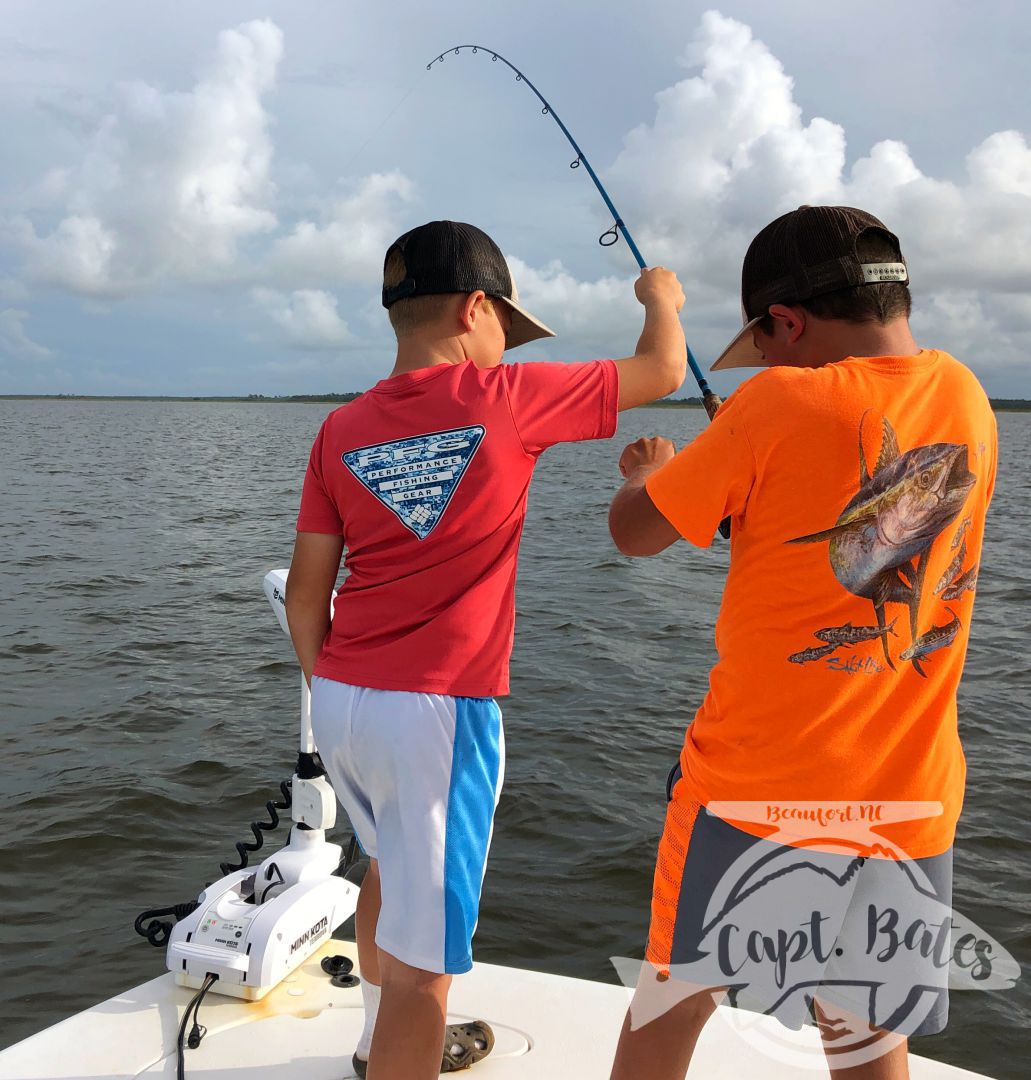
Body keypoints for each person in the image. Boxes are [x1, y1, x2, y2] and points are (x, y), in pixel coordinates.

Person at [285, 219, 686, 1080]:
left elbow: (305, 594)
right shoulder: (506, 397)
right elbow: (658, 370)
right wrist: (661, 299)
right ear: (475, 309)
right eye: (508, 323)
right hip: (439, 714)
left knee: (387, 866)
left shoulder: (338, 427)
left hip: (344, 700)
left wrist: (334, 687)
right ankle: (395, 1049)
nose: (510, 344)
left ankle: (368, 1044)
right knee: (426, 974)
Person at [607, 206, 997, 1079]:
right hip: (907, 795)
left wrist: (651, 472)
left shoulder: (775, 401)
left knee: (671, 1005)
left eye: (768, 345)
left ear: (786, 322)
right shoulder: (967, 395)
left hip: (752, 791)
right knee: (862, 1035)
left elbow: (634, 532)